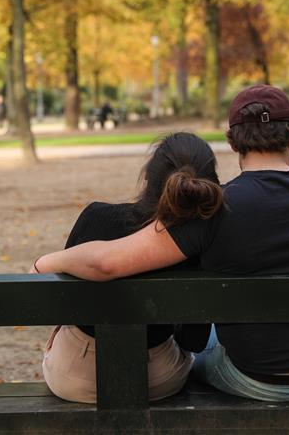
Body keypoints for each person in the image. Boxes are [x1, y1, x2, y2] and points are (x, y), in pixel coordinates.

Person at [33, 85, 289, 403]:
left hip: (258, 379)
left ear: (233, 142)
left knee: (205, 346)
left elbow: (106, 263)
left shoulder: (214, 208)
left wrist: (49, 261)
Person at [38, 132, 220, 403]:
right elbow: (193, 341)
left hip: (74, 376)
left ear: (148, 176)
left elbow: (60, 303)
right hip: (159, 380)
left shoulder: (95, 217)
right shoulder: (199, 241)